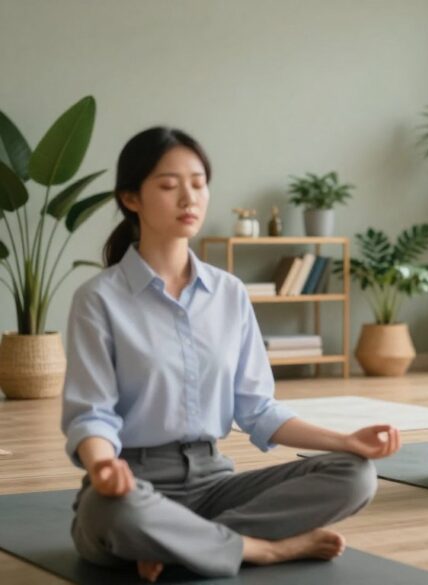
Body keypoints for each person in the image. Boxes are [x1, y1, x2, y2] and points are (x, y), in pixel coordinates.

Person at [61, 127, 401, 582]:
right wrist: (104, 467)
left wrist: (346, 441)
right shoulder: (98, 299)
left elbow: (257, 410)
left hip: (214, 482)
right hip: (132, 485)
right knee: (110, 515)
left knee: (356, 475)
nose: (189, 198)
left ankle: (184, 545)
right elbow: (92, 414)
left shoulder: (229, 293)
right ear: (131, 199)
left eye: (198, 183)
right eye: (168, 185)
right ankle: (262, 549)